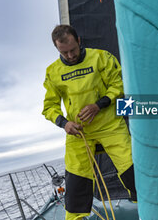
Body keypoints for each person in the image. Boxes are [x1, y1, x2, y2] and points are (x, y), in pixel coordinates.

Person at [42, 25, 136, 220]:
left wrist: (98, 105)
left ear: (78, 41)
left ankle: (150, 210)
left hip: (110, 125)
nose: (70, 55)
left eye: (72, 50)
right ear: (57, 49)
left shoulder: (101, 57)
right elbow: (49, 107)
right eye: (64, 52)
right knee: (76, 184)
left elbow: (118, 85)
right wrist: (64, 123)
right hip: (79, 134)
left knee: (133, 169)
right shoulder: (53, 72)